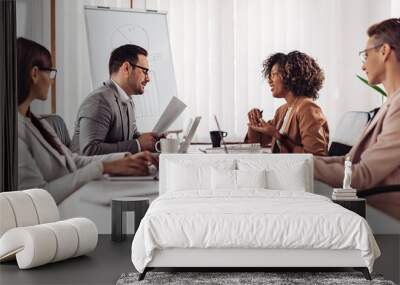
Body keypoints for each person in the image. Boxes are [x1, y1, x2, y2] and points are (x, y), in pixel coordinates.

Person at [17, 37, 158, 204]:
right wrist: (106, 166)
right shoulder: (99, 101)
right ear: (34, 73)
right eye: (50, 71)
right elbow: (32, 199)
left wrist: (125, 158)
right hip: (64, 206)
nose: (52, 80)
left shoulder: (36, 123)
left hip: (75, 197)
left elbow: (72, 160)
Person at [314, 18, 400, 219]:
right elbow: (348, 161)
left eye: (366, 55)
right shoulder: (391, 103)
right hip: (368, 202)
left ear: (384, 51)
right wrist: (302, 161)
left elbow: (364, 175)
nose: (363, 66)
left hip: (382, 210)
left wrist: (305, 167)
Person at [71, 44, 159, 155]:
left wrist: (153, 139)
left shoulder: (128, 101)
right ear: (126, 68)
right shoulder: (99, 101)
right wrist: (138, 145)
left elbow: (132, 136)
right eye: (145, 71)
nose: (148, 79)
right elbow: (90, 150)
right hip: (89, 171)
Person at [246, 51, 329, 155]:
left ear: (290, 75)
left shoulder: (308, 108)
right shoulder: (283, 110)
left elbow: (316, 157)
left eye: (273, 74)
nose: (269, 81)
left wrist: (277, 135)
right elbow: (256, 143)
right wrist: (254, 120)